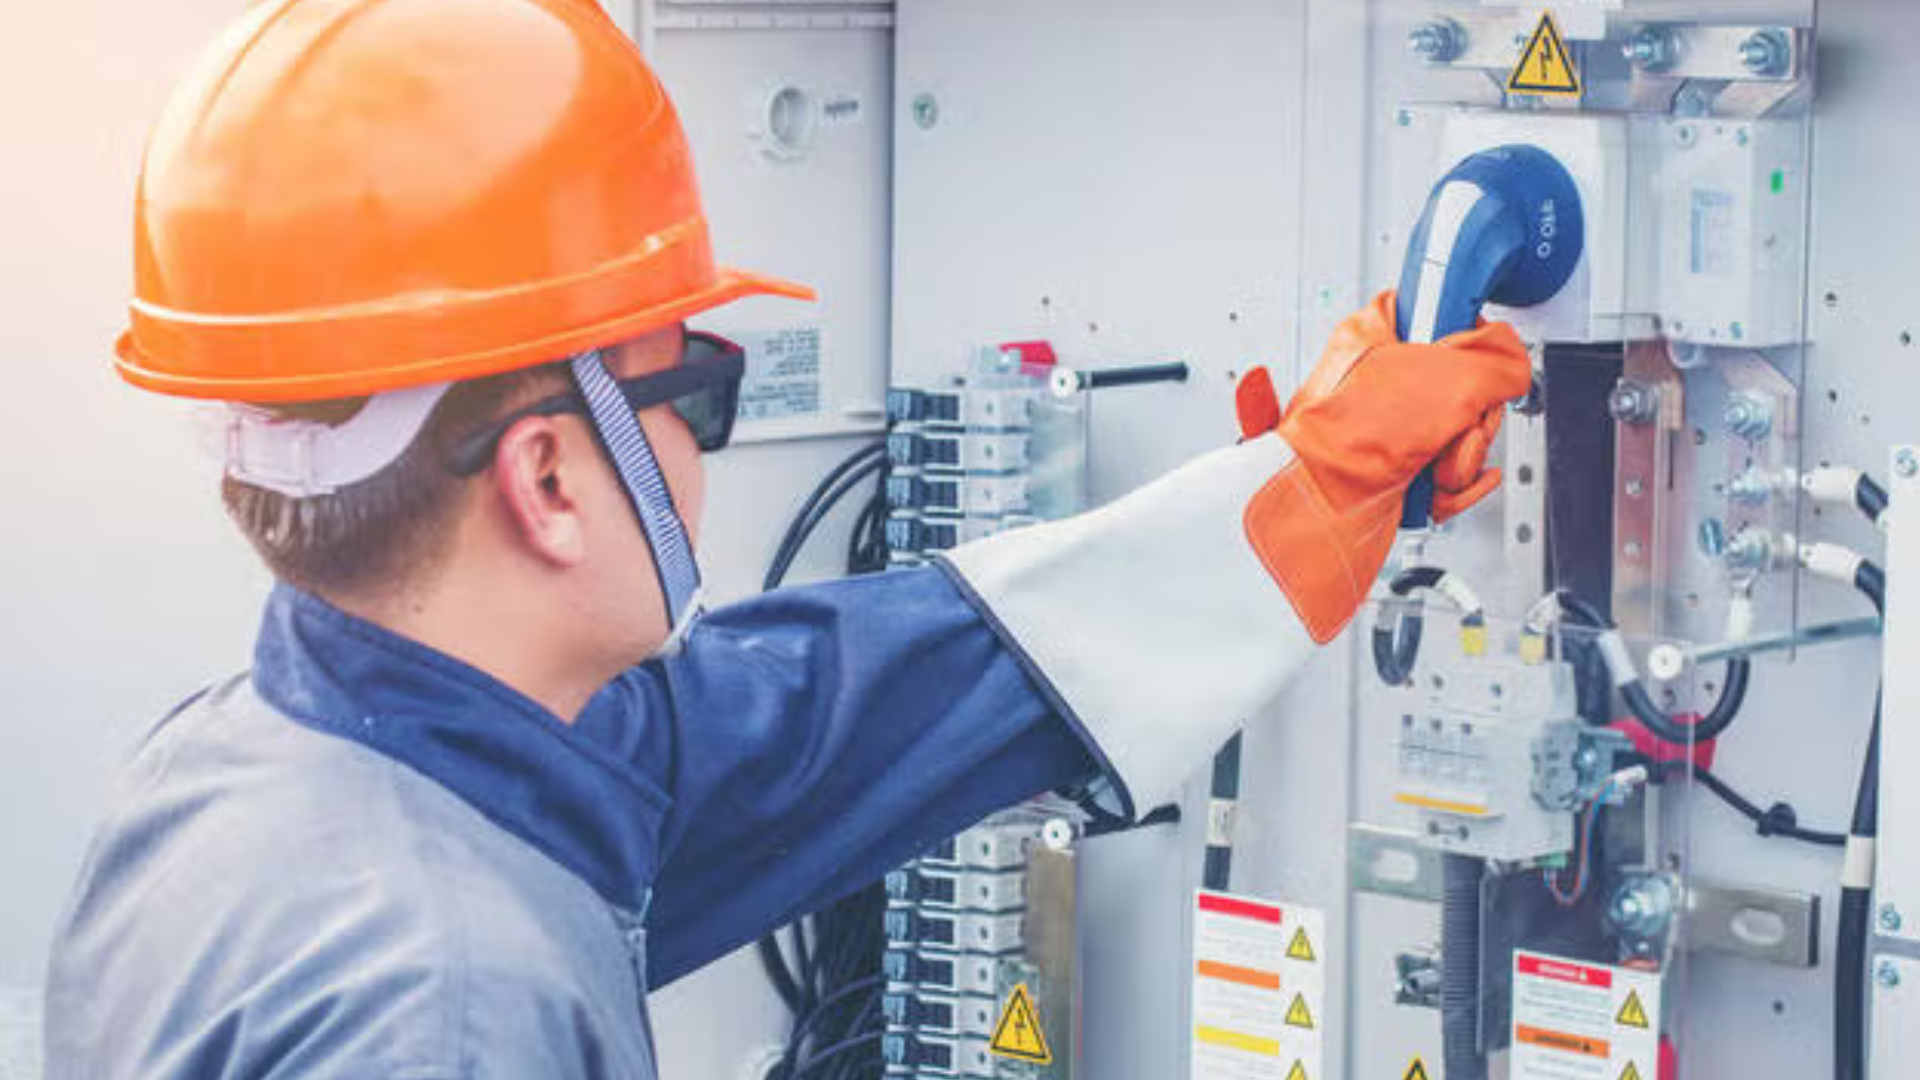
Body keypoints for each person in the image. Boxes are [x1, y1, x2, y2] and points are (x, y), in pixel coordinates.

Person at [43, 1, 1530, 1077]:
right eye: (699, 385)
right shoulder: (446, 1002)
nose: (703, 442)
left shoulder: (260, 765)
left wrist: (1313, 485)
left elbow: (830, 709)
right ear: (550, 481)